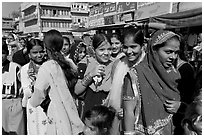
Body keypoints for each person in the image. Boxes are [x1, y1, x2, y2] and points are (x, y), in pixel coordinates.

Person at [123, 30, 182, 135]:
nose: (173, 57)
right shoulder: (135, 74)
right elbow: (128, 111)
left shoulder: (174, 74)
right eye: (168, 52)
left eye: (176, 52)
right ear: (154, 50)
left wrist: (181, 106)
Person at [29, 29, 84, 135]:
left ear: (45, 47)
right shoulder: (69, 63)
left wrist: (32, 96)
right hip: (73, 108)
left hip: (57, 113)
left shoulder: (47, 67)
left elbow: (37, 97)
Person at [104, 27, 146, 135]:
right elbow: (113, 95)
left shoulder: (147, 66)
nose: (129, 51)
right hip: (118, 119)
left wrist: (130, 110)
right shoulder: (118, 64)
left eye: (133, 47)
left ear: (142, 46)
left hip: (141, 121)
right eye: (125, 47)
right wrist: (118, 109)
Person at [74, 33, 113, 120]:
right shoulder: (85, 64)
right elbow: (77, 91)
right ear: (94, 49)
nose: (106, 53)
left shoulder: (115, 65)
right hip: (88, 111)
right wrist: (91, 74)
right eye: (102, 49)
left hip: (107, 113)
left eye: (109, 49)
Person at [20, 38, 47, 135]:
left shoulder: (48, 66)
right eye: (35, 52)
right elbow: (27, 92)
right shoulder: (25, 69)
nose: (39, 55)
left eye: (41, 52)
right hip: (33, 106)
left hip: (48, 104)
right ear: (29, 54)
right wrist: (34, 84)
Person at [2, 40, 26, 135]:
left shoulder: (16, 67)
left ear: (7, 53)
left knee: (16, 131)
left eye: (2, 53)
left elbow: (23, 85)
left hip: (14, 104)